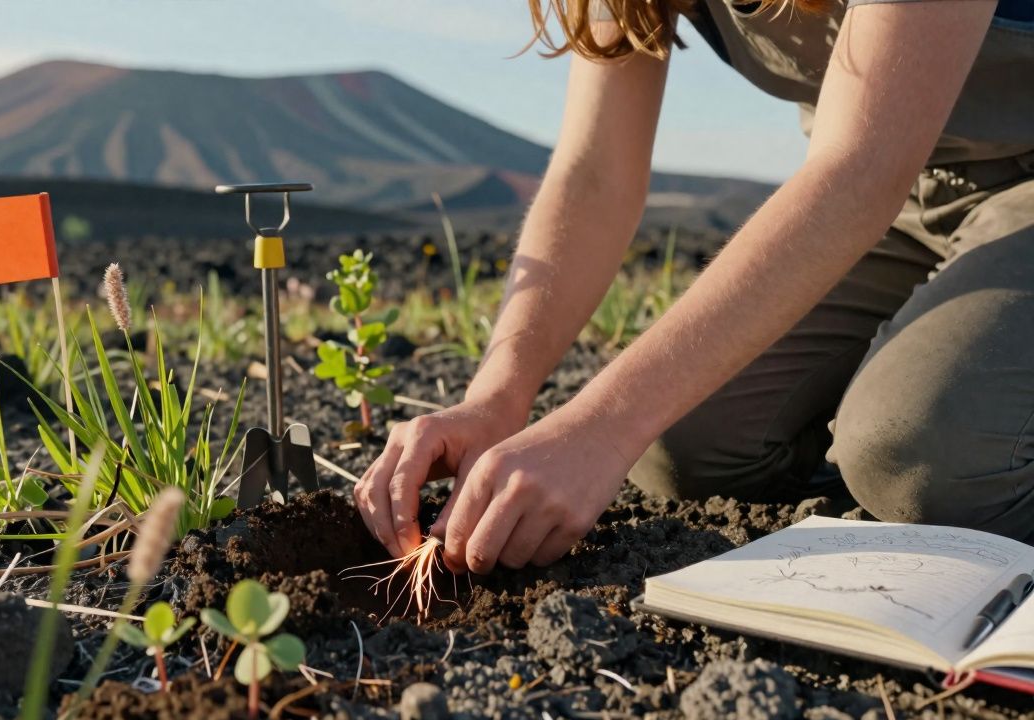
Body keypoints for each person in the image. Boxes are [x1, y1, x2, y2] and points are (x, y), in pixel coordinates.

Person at [354, 0, 1034, 574]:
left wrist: (601, 428)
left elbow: (860, 169)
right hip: (901, 201)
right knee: (677, 445)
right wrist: (495, 400)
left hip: (929, 181)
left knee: (920, 458)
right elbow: (596, 173)